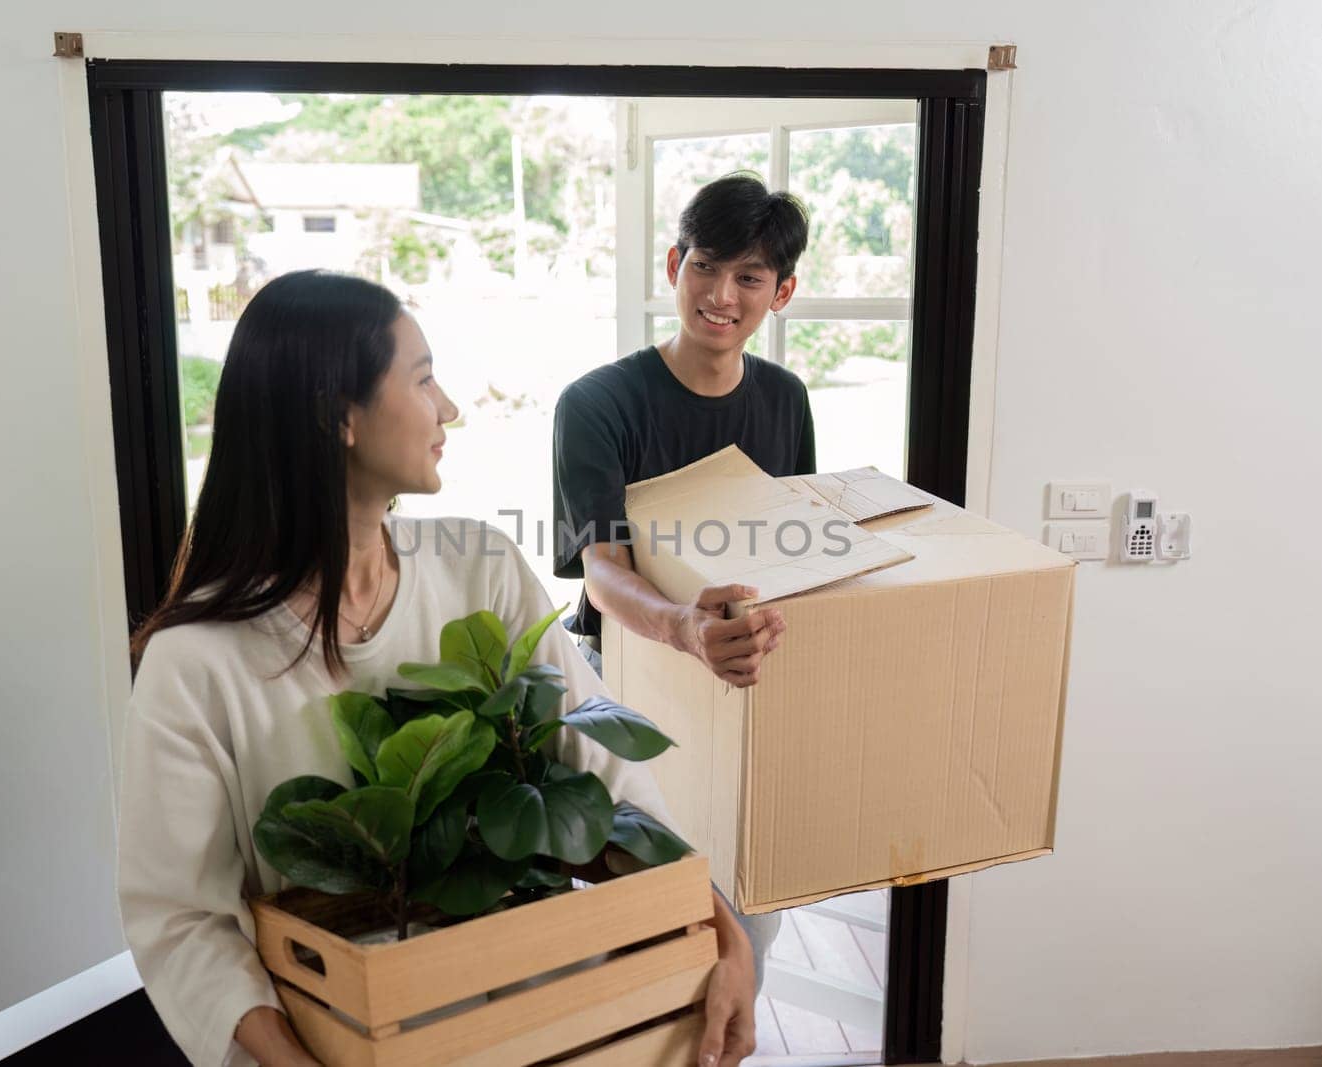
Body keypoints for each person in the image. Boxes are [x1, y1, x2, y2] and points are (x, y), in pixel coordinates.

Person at [116, 271, 757, 1067]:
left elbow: (609, 781)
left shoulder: (478, 567)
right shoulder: (196, 662)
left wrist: (725, 938)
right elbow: (182, 922)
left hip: (541, 1021)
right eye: (422, 379)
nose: (448, 406)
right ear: (336, 415)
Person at [552, 173, 815, 987]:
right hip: (622, 686)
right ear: (674, 264)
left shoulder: (786, 401)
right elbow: (602, 572)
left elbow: (792, 559)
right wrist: (681, 627)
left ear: (783, 291)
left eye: (749, 277)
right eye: (706, 266)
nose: (721, 295)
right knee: (638, 933)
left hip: (739, 685)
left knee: (747, 926)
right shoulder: (598, 403)